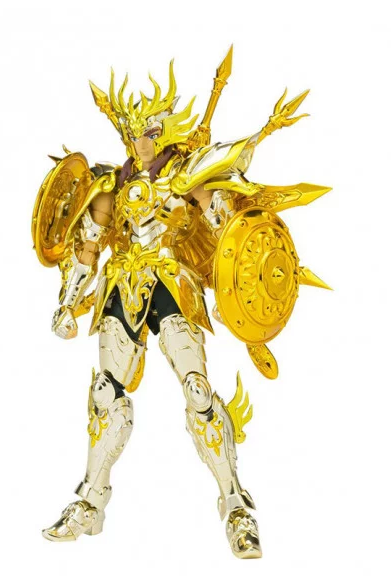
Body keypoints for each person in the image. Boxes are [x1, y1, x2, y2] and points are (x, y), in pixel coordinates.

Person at [33, 49, 329, 559]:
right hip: (122, 287)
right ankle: (90, 501)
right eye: (133, 133)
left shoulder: (187, 176)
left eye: (148, 132)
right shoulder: (109, 186)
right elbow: (87, 249)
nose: (140, 142)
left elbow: (226, 228)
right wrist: (67, 302)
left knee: (197, 389)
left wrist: (200, 222)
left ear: (164, 132)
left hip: (173, 285)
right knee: (105, 393)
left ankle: (235, 506)